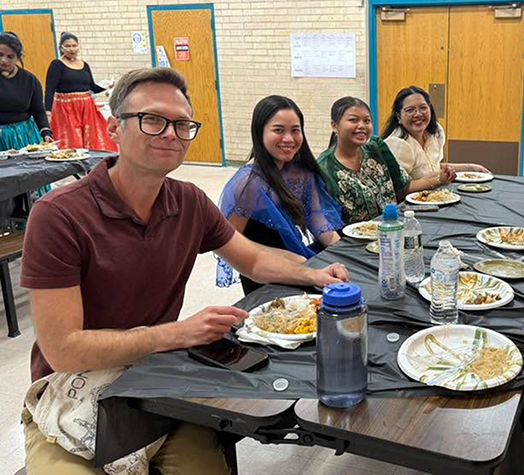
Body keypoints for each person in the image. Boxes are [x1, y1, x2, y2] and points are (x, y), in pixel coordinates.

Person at [19, 67, 348, 475]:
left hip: (156, 377)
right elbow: (63, 349)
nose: (170, 134)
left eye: (181, 123)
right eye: (152, 120)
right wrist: (178, 333)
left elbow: (253, 258)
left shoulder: (188, 200)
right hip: (71, 391)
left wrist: (315, 275)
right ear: (113, 129)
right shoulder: (59, 215)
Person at [217, 95, 344, 295]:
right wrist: (288, 258)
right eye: (278, 130)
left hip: (301, 264)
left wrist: (342, 250)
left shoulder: (301, 171)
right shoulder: (248, 183)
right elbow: (229, 241)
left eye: (295, 130)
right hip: (264, 275)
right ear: (259, 133)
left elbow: (317, 219)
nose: (289, 139)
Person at [318, 96, 453, 223]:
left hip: (394, 228)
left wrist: (440, 180)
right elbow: (328, 222)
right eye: (353, 120)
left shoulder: (376, 147)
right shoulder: (325, 167)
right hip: (354, 241)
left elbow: (404, 187)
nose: (362, 126)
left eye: (367, 121)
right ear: (334, 125)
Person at [382, 86, 487, 179]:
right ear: (399, 117)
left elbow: (431, 168)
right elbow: (398, 189)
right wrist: (439, 180)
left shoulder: (435, 133)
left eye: (423, 108)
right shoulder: (397, 144)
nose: (418, 114)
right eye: (410, 110)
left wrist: (470, 168)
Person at [45, 32, 117, 151]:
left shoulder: (84, 65)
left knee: (91, 137)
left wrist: (106, 85)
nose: (72, 49)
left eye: (74, 45)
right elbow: (49, 89)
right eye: (68, 46)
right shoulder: (56, 65)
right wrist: (47, 112)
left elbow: (92, 87)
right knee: (72, 139)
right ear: (61, 48)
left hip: (86, 108)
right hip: (66, 109)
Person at [0, 32, 53, 149]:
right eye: (0, 55)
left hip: (23, 137)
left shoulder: (29, 80)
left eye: (10, 56)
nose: (4, 60)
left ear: (18, 58)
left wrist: (46, 132)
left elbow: (39, 111)